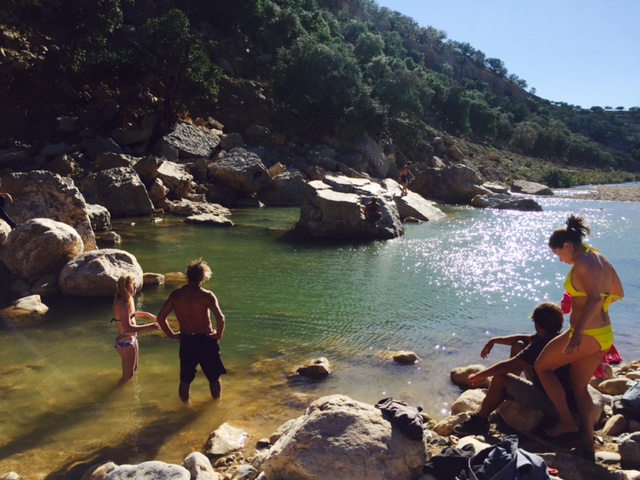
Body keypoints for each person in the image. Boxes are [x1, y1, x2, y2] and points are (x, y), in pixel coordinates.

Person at [535, 214, 624, 458]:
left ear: (566, 245)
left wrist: (579, 333)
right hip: (604, 334)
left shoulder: (584, 263)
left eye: (558, 254)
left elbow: (595, 297)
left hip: (586, 335)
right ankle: (587, 441)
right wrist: (599, 313)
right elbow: (618, 293)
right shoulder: (599, 257)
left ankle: (566, 421)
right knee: (579, 387)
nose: (560, 260)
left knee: (542, 367)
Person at [453, 302, 567, 436]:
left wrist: (480, 375)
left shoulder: (542, 344)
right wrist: (494, 340)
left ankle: (480, 421)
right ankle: (508, 392)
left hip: (553, 404)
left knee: (501, 377)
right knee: (519, 345)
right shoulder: (558, 337)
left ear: (537, 323)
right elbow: (523, 338)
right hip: (558, 393)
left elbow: (508, 366)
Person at [157, 258, 227, 403]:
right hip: (206, 340)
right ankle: (216, 405)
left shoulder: (176, 295)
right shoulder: (206, 295)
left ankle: (186, 407)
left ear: (188, 275)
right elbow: (220, 318)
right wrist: (218, 335)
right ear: (203, 277)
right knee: (214, 377)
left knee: (185, 379)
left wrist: (171, 335)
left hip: (187, 340)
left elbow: (161, 318)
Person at [112, 274, 160, 384]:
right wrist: (149, 326)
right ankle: (117, 396)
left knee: (134, 370)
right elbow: (128, 328)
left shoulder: (128, 300)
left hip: (131, 340)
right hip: (125, 342)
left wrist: (147, 315)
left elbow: (131, 315)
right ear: (126, 286)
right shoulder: (124, 303)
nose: (136, 287)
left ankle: (131, 395)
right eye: (133, 285)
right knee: (128, 376)